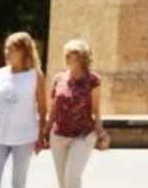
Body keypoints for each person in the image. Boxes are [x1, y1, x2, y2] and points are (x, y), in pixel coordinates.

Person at [0, 32, 47, 188]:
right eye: (6, 49)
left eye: (12, 49)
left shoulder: (36, 76)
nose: (7, 53)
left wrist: (41, 136)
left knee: (18, 184)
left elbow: (42, 108)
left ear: (24, 52)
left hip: (24, 138)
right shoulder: (0, 74)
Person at [45, 39, 105, 188]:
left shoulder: (93, 80)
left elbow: (96, 110)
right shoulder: (58, 78)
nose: (71, 60)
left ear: (83, 59)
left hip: (83, 135)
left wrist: (101, 133)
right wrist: (45, 130)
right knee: (62, 182)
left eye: (75, 56)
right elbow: (53, 108)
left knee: (71, 177)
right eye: (68, 56)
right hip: (58, 135)